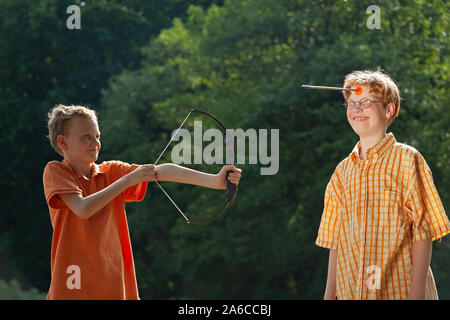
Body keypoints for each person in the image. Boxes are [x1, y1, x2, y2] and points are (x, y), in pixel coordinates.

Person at [43, 104, 242, 299]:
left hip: (111, 279)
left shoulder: (111, 171)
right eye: (86, 137)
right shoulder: (56, 171)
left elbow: (160, 170)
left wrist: (216, 181)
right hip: (73, 280)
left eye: (97, 136)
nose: (95, 142)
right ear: (63, 142)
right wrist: (128, 179)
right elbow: (83, 208)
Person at [315, 69, 450, 300]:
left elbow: (423, 229)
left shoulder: (408, 160)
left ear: (389, 109)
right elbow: (335, 240)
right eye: (352, 103)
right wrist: (329, 296)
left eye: (366, 101)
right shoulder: (341, 172)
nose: (356, 108)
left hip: (400, 291)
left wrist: (416, 294)